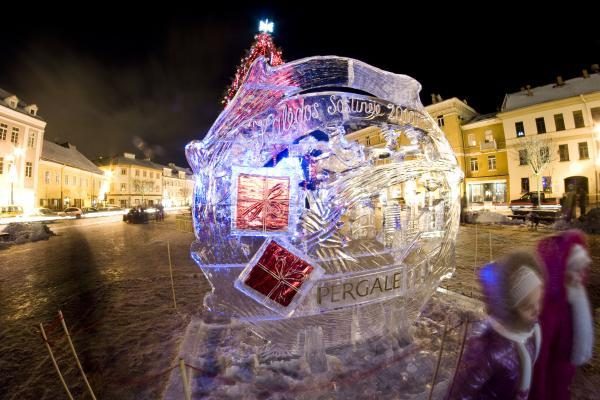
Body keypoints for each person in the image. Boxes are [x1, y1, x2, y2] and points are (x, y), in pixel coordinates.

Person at [447, 251, 544, 400]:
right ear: (511, 309)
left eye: (539, 301)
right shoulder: (488, 350)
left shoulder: (529, 330)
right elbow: (461, 393)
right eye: (527, 306)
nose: (537, 309)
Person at [530, 230, 594, 400]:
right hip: (549, 379)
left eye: (582, 270)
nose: (580, 277)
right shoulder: (549, 309)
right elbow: (541, 359)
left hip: (564, 374)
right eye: (575, 271)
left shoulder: (575, 296)